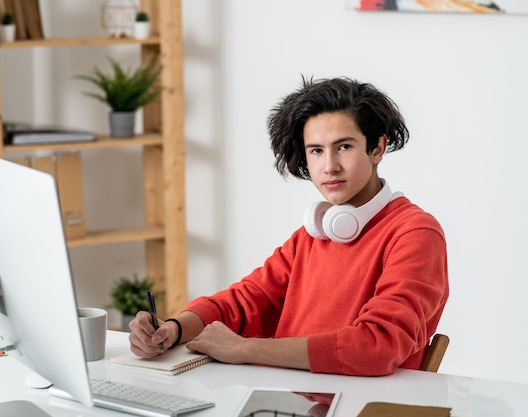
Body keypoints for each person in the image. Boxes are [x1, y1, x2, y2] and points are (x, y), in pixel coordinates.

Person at [129, 76, 449, 376]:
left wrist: (245, 348)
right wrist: (173, 329)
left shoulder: (415, 234)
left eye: (345, 147)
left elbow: (378, 345)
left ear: (377, 147)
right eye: (316, 151)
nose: (329, 166)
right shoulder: (313, 235)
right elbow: (243, 302)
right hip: (294, 396)